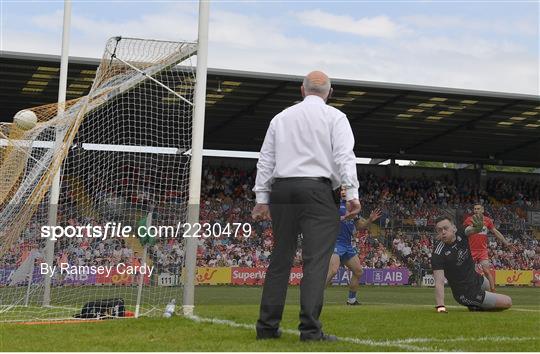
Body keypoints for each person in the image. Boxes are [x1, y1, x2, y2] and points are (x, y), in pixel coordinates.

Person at [252, 70, 360, 342]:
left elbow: (265, 159)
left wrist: (262, 198)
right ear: (330, 93)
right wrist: (352, 193)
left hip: (284, 190)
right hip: (318, 191)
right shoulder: (335, 117)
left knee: (280, 259)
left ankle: (266, 327)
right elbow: (344, 156)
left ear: (302, 90)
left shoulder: (281, 118)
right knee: (315, 263)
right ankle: (310, 331)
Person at [431, 216, 512, 313]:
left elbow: (471, 230)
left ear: (453, 228)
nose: (443, 232)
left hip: (475, 278)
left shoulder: (461, 233)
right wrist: (440, 306)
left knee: (487, 285)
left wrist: (477, 228)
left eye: (446, 228)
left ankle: (477, 305)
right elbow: (439, 282)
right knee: (508, 301)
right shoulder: (438, 253)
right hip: (465, 292)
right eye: (439, 230)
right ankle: (476, 304)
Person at [326, 187, 381, 305]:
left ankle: (351, 300)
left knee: (358, 271)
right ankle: (314, 295)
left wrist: (370, 219)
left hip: (347, 245)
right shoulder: (335, 205)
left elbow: (361, 226)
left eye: (347, 190)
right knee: (333, 270)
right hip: (335, 243)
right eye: (342, 190)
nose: (345, 192)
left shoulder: (354, 210)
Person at [463, 203, 515, 292]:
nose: (476, 210)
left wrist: (506, 243)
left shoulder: (487, 220)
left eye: (478, 209)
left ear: (482, 210)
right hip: (471, 250)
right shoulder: (469, 220)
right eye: (475, 209)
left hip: (482, 251)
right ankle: (467, 289)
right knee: (469, 271)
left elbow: (495, 232)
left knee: (487, 271)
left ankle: (493, 290)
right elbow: (463, 232)